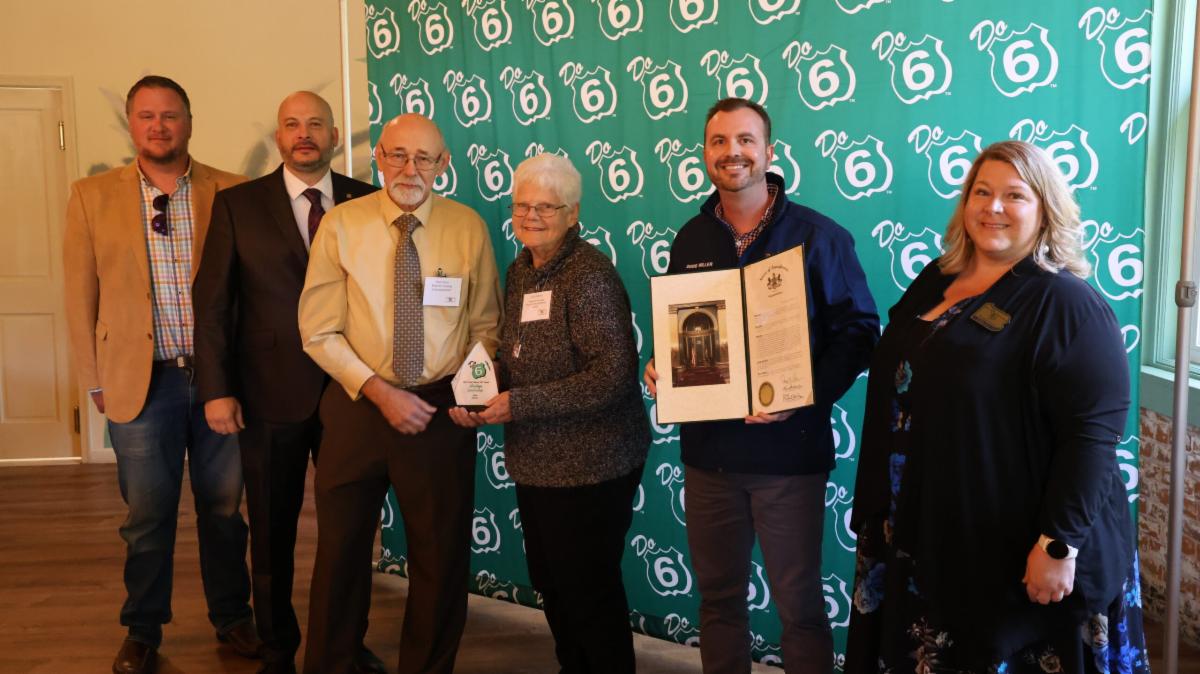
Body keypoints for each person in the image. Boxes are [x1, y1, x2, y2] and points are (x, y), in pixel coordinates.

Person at [845, 140, 1149, 673]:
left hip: (1015, 548)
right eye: (981, 193)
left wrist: (1057, 545)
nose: (993, 207)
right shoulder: (938, 278)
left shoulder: (1067, 303)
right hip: (924, 525)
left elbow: (1091, 438)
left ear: (1045, 209)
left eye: (1015, 195)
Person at [644, 97, 880, 674]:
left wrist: (802, 396)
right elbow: (685, 329)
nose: (733, 152)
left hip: (788, 458)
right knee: (719, 601)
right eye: (719, 142)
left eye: (746, 140)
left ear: (769, 152)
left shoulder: (819, 236)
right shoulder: (691, 238)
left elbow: (859, 333)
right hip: (709, 458)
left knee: (800, 608)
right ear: (705, 154)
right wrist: (662, 366)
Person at [63, 75, 258, 674]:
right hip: (140, 383)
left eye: (170, 115)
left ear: (189, 122)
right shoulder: (91, 196)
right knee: (146, 517)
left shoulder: (233, 191)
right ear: (131, 124)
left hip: (220, 381)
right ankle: (142, 630)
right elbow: (79, 295)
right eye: (146, 116)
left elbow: (254, 291)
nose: (159, 126)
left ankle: (233, 617)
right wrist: (93, 379)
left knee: (224, 510)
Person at [298, 113, 501, 674]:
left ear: (444, 164)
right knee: (340, 555)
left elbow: (486, 326)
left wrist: (468, 393)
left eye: (425, 158)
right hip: (358, 405)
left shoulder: (468, 227)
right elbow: (317, 331)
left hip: (439, 412)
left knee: (439, 558)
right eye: (398, 155)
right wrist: (380, 392)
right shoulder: (340, 225)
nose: (410, 169)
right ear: (379, 157)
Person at [192, 91, 382, 674]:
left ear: (333, 135)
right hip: (268, 393)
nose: (304, 134)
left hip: (353, 392)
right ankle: (277, 648)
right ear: (278, 137)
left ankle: (343, 643)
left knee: (350, 530)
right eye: (292, 124)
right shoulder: (238, 205)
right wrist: (216, 389)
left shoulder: (367, 199)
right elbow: (212, 303)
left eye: (316, 124)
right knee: (272, 533)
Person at [448, 153, 650, 673]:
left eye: (546, 206)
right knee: (552, 584)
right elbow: (519, 355)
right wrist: (482, 391)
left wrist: (519, 403)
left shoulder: (589, 275)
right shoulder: (520, 270)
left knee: (588, 592)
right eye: (522, 205)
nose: (531, 216)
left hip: (592, 466)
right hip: (536, 461)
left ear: (573, 213)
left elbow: (612, 375)